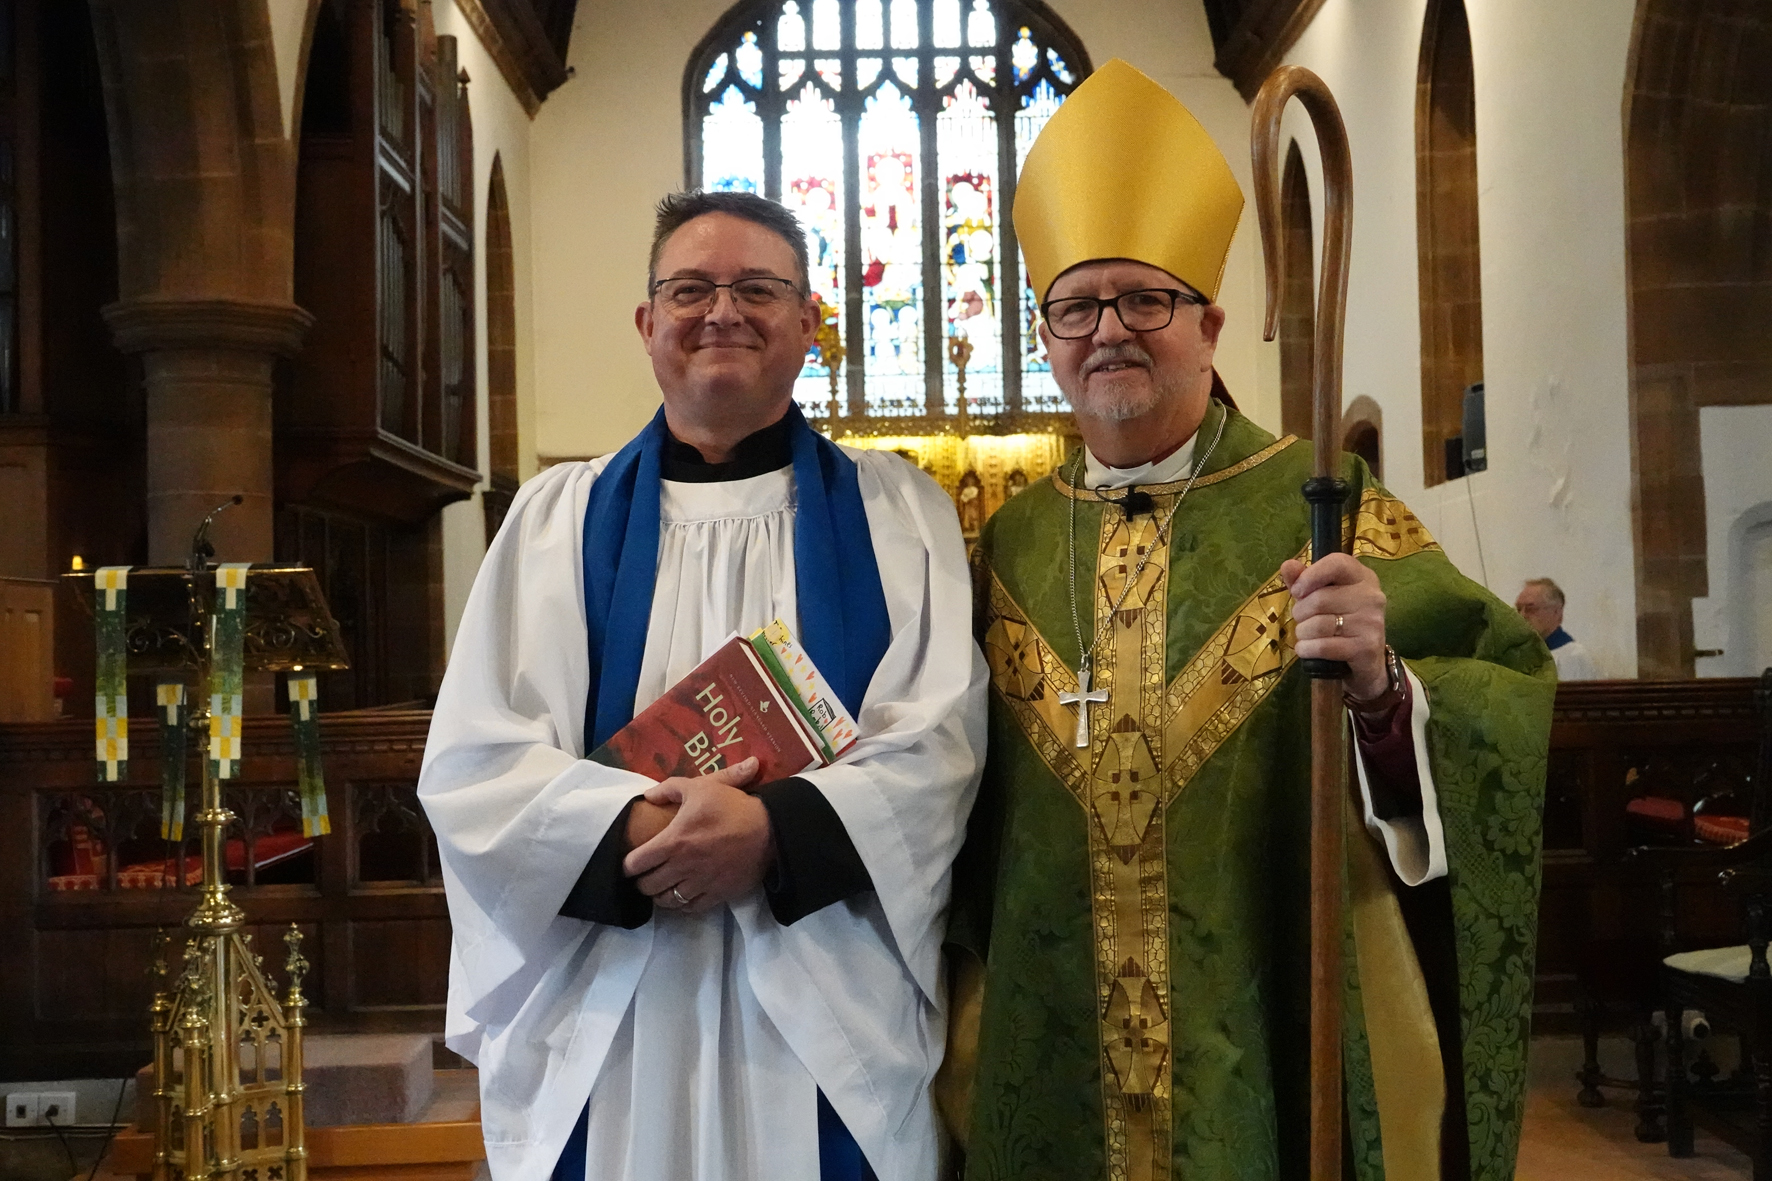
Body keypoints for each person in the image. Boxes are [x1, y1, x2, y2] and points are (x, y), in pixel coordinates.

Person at [944, 61, 1555, 1181]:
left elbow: (1498, 689)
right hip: (1049, 1016)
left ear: (1211, 321)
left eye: (1145, 299)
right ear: (1043, 335)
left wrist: (1382, 692)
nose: (1109, 332)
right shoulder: (1010, 542)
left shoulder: (1330, 509)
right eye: (1075, 306)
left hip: (1262, 1007)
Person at [419, 189, 986, 1181]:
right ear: (646, 323)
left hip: (826, 1005)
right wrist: (642, 832)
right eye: (689, 288)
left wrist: (775, 834)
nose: (720, 311)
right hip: (608, 1006)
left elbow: (937, 745)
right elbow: (475, 758)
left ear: (809, 322)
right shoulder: (558, 520)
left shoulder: (899, 514)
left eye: (757, 288)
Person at [1515, 577, 1600, 680]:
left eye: (1530, 609)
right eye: (1518, 609)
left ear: (1556, 612)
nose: (1522, 615)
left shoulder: (1574, 657)